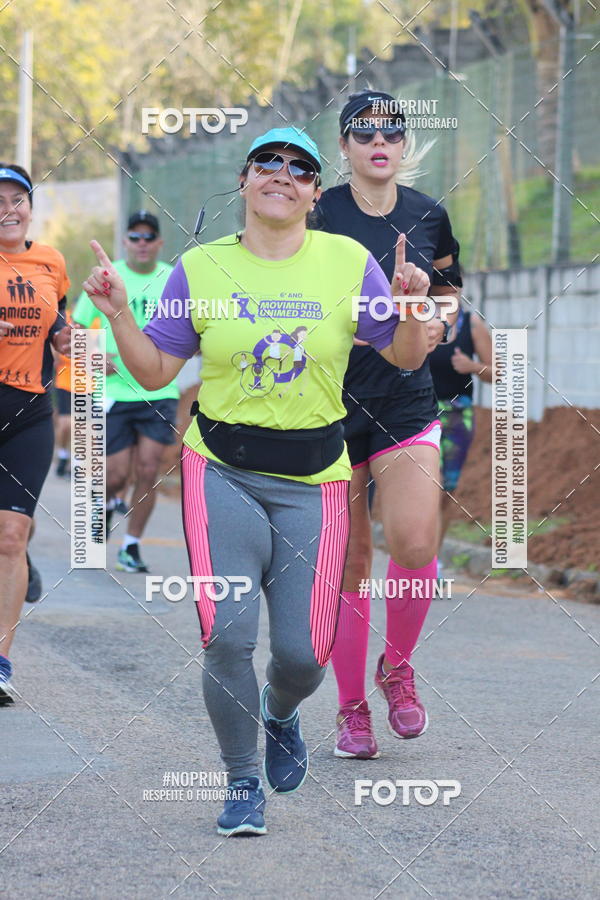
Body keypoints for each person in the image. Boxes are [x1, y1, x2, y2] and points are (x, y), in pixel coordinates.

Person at [80, 127, 430, 835]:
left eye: (300, 168)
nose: (282, 174)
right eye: (267, 162)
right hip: (221, 472)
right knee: (228, 637)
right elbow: (155, 370)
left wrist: (413, 307)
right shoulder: (200, 267)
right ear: (243, 180)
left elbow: (402, 355)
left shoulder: (348, 262)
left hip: (318, 480)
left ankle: (280, 710)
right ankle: (242, 781)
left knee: (303, 658)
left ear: (315, 193)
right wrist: (117, 313)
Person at [312, 90, 462, 759]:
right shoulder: (318, 211)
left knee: (415, 541)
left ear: (404, 144)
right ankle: (351, 708)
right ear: (343, 146)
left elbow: (451, 290)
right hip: (328, 402)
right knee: (351, 559)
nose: (380, 141)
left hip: (405, 398)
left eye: (392, 132)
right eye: (364, 132)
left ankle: (396, 668)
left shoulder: (430, 213)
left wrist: (437, 322)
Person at [0, 164, 71, 705]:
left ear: (30, 207)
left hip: (28, 412)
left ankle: (1, 662)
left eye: (17, 198)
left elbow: (58, 328)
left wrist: (74, 342)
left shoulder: (51, 261)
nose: (8, 209)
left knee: (11, 536)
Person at [73, 211, 178, 573]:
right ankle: (103, 509)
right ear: (125, 241)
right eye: (135, 237)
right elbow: (78, 326)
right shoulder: (109, 275)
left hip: (159, 390)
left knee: (148, 469)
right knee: (116, 475)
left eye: (149, 237)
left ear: (159, 243)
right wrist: (93, 356)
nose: (142, 243)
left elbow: (188, 328)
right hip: (114, 392)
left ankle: (131, 546)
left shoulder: (172, 279)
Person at [429, 302, 493, 571]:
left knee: (446, 491)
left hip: (458, 417)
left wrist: (472, 366)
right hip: (420, 414)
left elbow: (497, 372)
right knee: (428, 488)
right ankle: (417, 560)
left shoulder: (471, 324)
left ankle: (433, 561)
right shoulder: (415, 318)